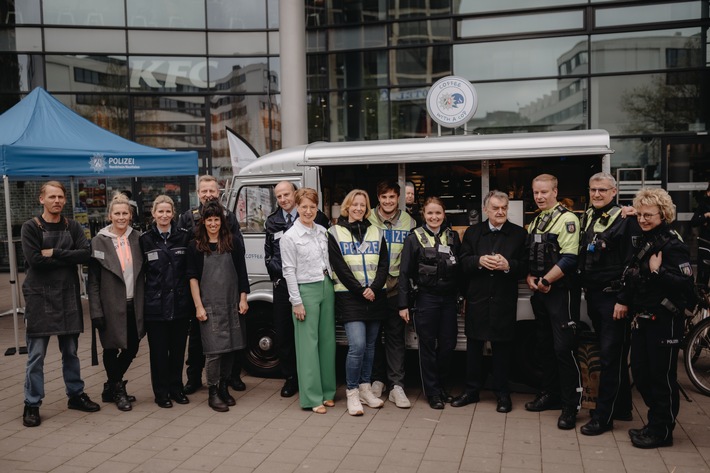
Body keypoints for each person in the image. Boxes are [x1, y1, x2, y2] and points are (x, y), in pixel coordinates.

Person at [618, 188, 694, 449]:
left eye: (648, 215)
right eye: (639, 214)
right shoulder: (644, 239)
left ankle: (662, 431)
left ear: (663, 214)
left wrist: (657, 272)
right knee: (641, 374)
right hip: (643, 318)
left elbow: (685, 285)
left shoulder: (673, 244)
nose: (642, 219)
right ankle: (654, 423)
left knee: (662, 378)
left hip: (665, 320)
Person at [21, 181, 100, 427]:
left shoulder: (73, 226)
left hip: (67, 296)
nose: (57, 201)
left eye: (61, 197)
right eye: (52, 197)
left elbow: (86, 254)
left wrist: (53, 253)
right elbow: (35, 261)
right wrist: (68, 257)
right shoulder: (30, 228)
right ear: (41, 199)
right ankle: (31, 403)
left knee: (71, 353)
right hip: (39, 297)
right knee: (36, 356)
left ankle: (75, 395)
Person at [577, 173, 640, 436]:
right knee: (612, 354)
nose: (597, 194)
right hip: (595, 295)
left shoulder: (626, 219)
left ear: (614, 191)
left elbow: (633, 263)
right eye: (593, 190)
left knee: (609, 358)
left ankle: (603, 418)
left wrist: (623, 300)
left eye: (602, 190)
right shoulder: (588, 215)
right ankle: (622, 407)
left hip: (614, 298)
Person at [454, 190, 527, 413]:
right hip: (477, 297)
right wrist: (479, 261)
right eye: (495, 208)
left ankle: (502, 394)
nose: (500, 212)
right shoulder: (473, 233)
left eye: (504, 208)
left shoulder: (518, 234)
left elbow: (526, 266)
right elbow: (462, 263)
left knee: (502, 349)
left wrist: (509, 266)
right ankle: (471, 391)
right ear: (486, 209)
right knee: (474, 347)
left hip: (504, 299)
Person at [524, 174, 582, 430]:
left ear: (555, 191)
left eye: (544, 192)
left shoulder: (568, 219)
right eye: (536, 192)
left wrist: (546, 281)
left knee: (564, 350)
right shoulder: (536, 221)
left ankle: (570, 406)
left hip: (560, 294)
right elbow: (531, 256)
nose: (539, 197)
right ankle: (550, 394)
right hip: (540, 293)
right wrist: (529, 276)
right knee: (543, 346)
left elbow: (569, 258)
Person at [178, 175, 245, 394]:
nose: (208, 195)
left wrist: (242, 294)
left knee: (231, 337)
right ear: (198, 194)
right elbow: (185, 257)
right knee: (198, 338)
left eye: (212, 191)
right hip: (199, 289)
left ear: (218, 193)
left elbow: (238, 254)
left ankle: (231, 378)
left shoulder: (230, 218)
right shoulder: (188, 218)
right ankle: (194, 378)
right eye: (204, 191)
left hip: (225, 290)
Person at [265, 181, 329, 398]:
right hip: (284, 285)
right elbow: (269, 254)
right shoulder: (272, 221)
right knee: (284, 334)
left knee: (311, 336)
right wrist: (278, 273)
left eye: (286, 194)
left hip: (310, 283)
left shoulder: (317, 218)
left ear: (295, 194)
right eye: (279, 196)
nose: (283, 199)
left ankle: (311, 380)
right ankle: (291, 378)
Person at [328, 189, 389, 416]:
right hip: (349, 297)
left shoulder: (377, 231)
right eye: (355, 204)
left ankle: (365, 388)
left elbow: (383, 264)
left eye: (363, 205)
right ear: (347, 206)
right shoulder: (334, 232)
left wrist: (373, 289)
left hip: (375, 296)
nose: (358, 208)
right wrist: (361, 290)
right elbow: (339, 267)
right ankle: (352, 392)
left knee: (372, 347)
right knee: (358, 346)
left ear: (367, 208)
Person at [398, 196, 461, 410]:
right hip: (425, 299)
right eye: (430, 213)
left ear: (444, 215)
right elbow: (404, 273)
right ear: (423, 215)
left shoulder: (452, 237)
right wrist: (403, 304)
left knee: (448, 345)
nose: (434, 217)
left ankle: (443, 387)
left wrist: (462, 297)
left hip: (449, 300)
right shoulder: (413, 238)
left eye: (438, 213)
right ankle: (433, 393)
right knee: (427, 347)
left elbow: (459, 271)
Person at [187, 201, 249, 412]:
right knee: (214, 352)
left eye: (216, 220)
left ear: (222, 222)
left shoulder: (233, 243)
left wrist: (243, 299)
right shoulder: (195, 246)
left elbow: (242, 273)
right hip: (210, 306)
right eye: (209, 220)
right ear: (203, 222)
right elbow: (193, 279)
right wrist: (198, 306)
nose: (213, 224)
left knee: (231, 348)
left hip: (232, 303)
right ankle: (213, 391)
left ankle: (224, 387)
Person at [280, 188, 336, 413]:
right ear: (296, 207)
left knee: (327, 342)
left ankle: (328, 391)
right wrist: (296, 301)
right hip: (306, 290)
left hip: (326, 286)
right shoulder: (289, 237)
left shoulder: (323, 231)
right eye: (304, 207)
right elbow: (288, 271)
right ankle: (312, 397)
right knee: (307, 346)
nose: (308, 211)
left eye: (313, 206)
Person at [88, 194, 145, 411]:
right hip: (109, 305)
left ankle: (111, 384)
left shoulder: (138, 238)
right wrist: (95, 311)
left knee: (132, 346)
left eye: (125, 213)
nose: (121, 217)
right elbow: (92, 281)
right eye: (117, 213)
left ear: (130, 215)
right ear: (110, 215)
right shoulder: (98, 241)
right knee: (111, 348)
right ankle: (118, 390)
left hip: (134, 303)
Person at [140, 195, 192, 408]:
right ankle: (161, 392)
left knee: (178, 351)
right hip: (156, 306)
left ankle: (176, 388)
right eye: (160, 211)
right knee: (159, 353)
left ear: (173, 214)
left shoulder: (184, 237)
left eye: (167, 211)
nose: (164, 215)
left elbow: (189, 270)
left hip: (180, 304)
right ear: (153, 214)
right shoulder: (144, 240)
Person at [368, 180, 415, 408]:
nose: (388, 201)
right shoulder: (367, 217)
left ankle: (397, 385)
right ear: (378, 198)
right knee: (374, 337)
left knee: (396, 338)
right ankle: (378, 381)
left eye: (392, 197)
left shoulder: (409, 221)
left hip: (397, 287)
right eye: (384, 197)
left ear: (399, 199)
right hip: (373, 288)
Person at [691, 183, 710, 288]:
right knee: (703, 272)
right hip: (705, 242)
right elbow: (694, 222)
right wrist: (706, 216)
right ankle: (702, 298)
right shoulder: (703, 205)